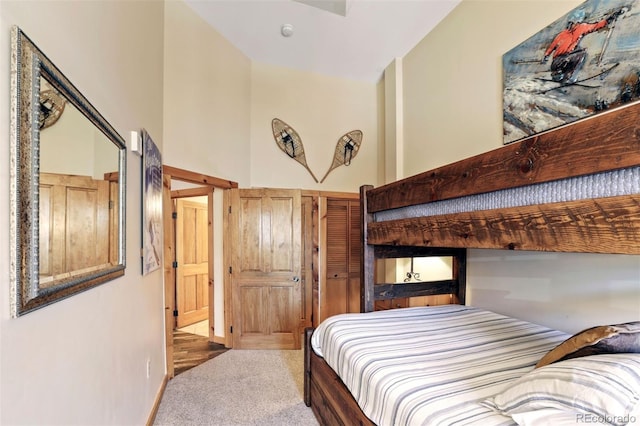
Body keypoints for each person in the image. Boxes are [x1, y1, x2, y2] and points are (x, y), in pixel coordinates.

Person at [542, 8, 623, 84]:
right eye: (570, 23)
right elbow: (551, 47)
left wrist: (610, 19)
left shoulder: (581, 28)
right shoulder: (561, 35)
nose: (571, 25)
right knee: (569, 57)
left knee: (581, 52)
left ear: (577, 22)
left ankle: (567, 77)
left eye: (573, 23)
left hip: (568, 57)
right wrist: (546, 55)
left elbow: (595, 26)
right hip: (557, 61)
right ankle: (557, 74)